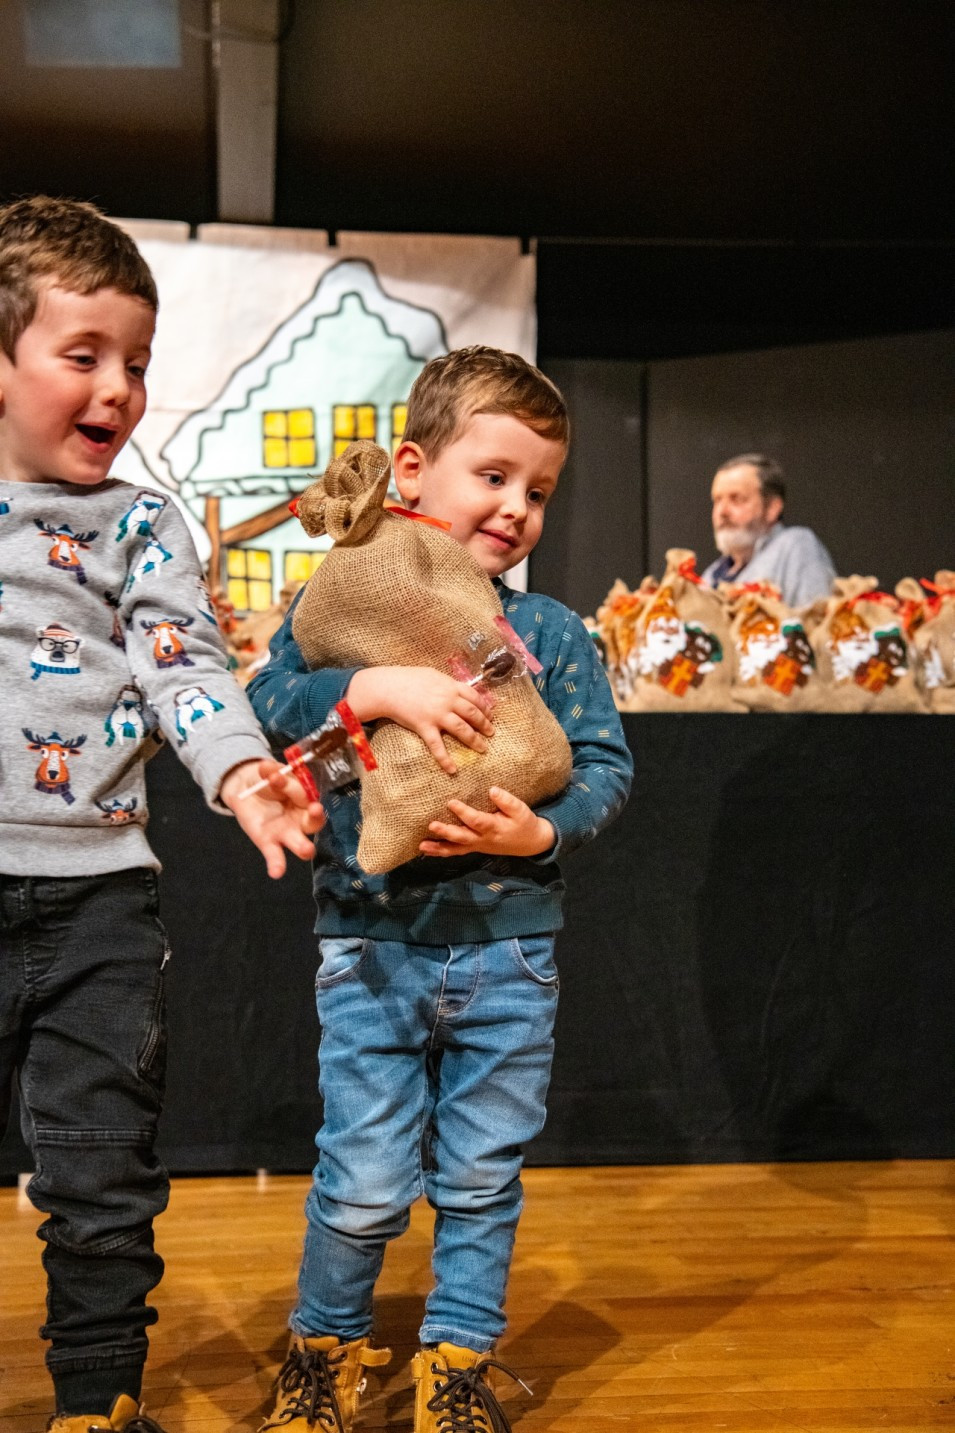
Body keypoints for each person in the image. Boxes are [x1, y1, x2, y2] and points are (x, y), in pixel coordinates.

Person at [248, 347, 633, 1433]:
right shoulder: (341, 603)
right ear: (413, 471)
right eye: (493, 476)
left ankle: (457, 1363)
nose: (516, 508)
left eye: (538, 490)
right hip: (371, 941)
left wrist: (540, 830)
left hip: (510, 950)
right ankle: (322, 1353)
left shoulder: (548, 633)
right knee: (364, 1175)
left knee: (480, 1175)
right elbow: (272, 697)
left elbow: (604, 765)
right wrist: (372, 686)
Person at [0, 196, 324, 1433]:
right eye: (82, 355)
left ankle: (98, 1399)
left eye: (135, 362)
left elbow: (185, 666)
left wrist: (241, 772)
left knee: (101, 1170)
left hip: (100, 904)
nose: (118, 388)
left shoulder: (143, 524)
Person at [701, 453, 836, 607]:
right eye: (717, 500)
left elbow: (816, 617)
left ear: (772, 508)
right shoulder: (711, 574)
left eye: (737, 499)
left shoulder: (795, 545)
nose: (722, 512)